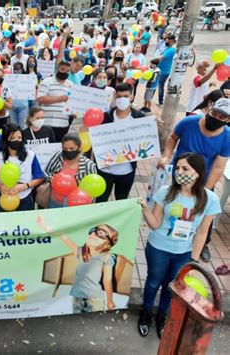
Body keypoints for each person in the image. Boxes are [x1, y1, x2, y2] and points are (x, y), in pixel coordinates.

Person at [138, 153, 221, 338]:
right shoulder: (165, 192)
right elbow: (155, 224)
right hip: (158, 248)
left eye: (185, 169)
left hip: (183, 252)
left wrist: (193, 261)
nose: (179, 172)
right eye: (177, 168)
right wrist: (144, 208)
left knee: (173, 286)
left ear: (198, 172)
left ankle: (162, 317)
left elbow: (202, 232)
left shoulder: (210, 199)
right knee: (153, 282)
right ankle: (146, 314)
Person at [157, 98, 230, 262]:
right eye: (215, 113)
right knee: (175, 206)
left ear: (228, 120)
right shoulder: (189, 122)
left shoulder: (227, 137)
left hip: (203, 181)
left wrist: (205, 191)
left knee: (205, 214)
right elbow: (173, 138)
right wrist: (166, 156)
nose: (217, 118)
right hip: (180, 176)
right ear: (210, 108)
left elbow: (218, 166)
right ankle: (169, 234)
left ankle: (202, 244)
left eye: (222, 117)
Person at [37, 216, 118, 313]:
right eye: (93, 230)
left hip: (94, 298)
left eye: (100, 233)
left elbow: (107, 280)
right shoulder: (81, 253)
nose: (93, 233)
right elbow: (64, 238)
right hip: (77, 297)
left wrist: (110, 300)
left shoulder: (107, 257)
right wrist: (46, 228)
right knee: (78, 319)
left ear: (108, 244)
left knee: (93, 321)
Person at [96, 83, 145, 203]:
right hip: (104, 170)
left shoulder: (140, 118)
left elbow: (145, 141)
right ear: (114, 97)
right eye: (119, 96)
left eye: (125, 96)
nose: (122, 99)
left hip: (126, 171)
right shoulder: (104, 117)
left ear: (131, 97)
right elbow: (96, 140)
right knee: (100, 202)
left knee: (121, 202)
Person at [0, 123, 44, 212]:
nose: (16, 140)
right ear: (6, 140)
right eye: (12, 138)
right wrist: (0, 187)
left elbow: (39, 177)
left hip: (24, 197)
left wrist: (25, 186)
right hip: (4, 198)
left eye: (19, 138)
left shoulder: (30, 155)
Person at [44, 133, 97, 207]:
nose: (68, 151)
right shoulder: (58, 157)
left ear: (79, 148)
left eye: (71, 149)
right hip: (54, 202)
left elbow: (92, 189)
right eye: (65, 149)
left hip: (76, 204)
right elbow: (46, 172)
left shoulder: (88, 165)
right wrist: (51, 179)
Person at [36, 61, 74, 141]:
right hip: (47, 123)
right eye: (62, 69)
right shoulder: (47, 81)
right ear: (57, 69)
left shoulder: (71, 85)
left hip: (63, 124)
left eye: (67, 71)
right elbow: (40, 98)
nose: (65, 72)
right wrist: (59, 99)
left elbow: (73, 104)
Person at [155, 34, 176, 106]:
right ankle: (159, 101)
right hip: (161, 69)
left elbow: (161, 57)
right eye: (166, 39)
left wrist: (153, 61)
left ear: (172, 41)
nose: (166, 41)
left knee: (160, 86)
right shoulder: (167, 48)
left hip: (164, 71)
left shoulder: (171, 50)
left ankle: (161, 102)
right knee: (157, 85)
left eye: (168, 40)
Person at [9, 62, 30, 129]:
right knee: (13, 126)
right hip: (12, 106)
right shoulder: (9, 79)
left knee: (23, 126)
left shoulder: (27, 79)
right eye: (15, 69)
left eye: (18, 69)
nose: (16, 70)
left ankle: (23, 139)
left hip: (23, 106)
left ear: (22, 69)